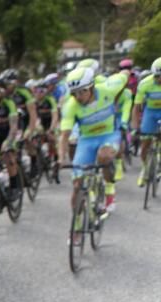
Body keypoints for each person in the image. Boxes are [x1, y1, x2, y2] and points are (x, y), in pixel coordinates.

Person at [58, 66, 126, 216]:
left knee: (105, 156)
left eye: (83, 91)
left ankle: (109, 189)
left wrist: (118, 98)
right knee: (77, 186)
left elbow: (124, 75)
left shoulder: (108, 89)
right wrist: (60, 158)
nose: (79, 96)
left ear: (92, 86)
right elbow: (64, 136)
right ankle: (76, 226)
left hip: (108, 135)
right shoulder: (71, 106)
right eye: (74, 93)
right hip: (87, 140)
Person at [133, 57, 161, 187]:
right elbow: (137, 107)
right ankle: (145, 169)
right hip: (150, 112)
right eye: (157, 76)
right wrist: (135, 126)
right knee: (145, 143)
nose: (159, 79)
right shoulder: (144, 84)